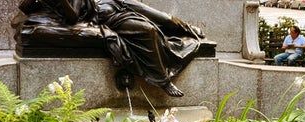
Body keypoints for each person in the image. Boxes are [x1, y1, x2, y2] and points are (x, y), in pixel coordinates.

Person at [15, 0, 205, 97]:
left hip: (115, 1)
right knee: (148, 30)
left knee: (165, 19)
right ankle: (162, 79)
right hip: (107, 15)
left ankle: (187, 28)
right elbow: (72, 16)